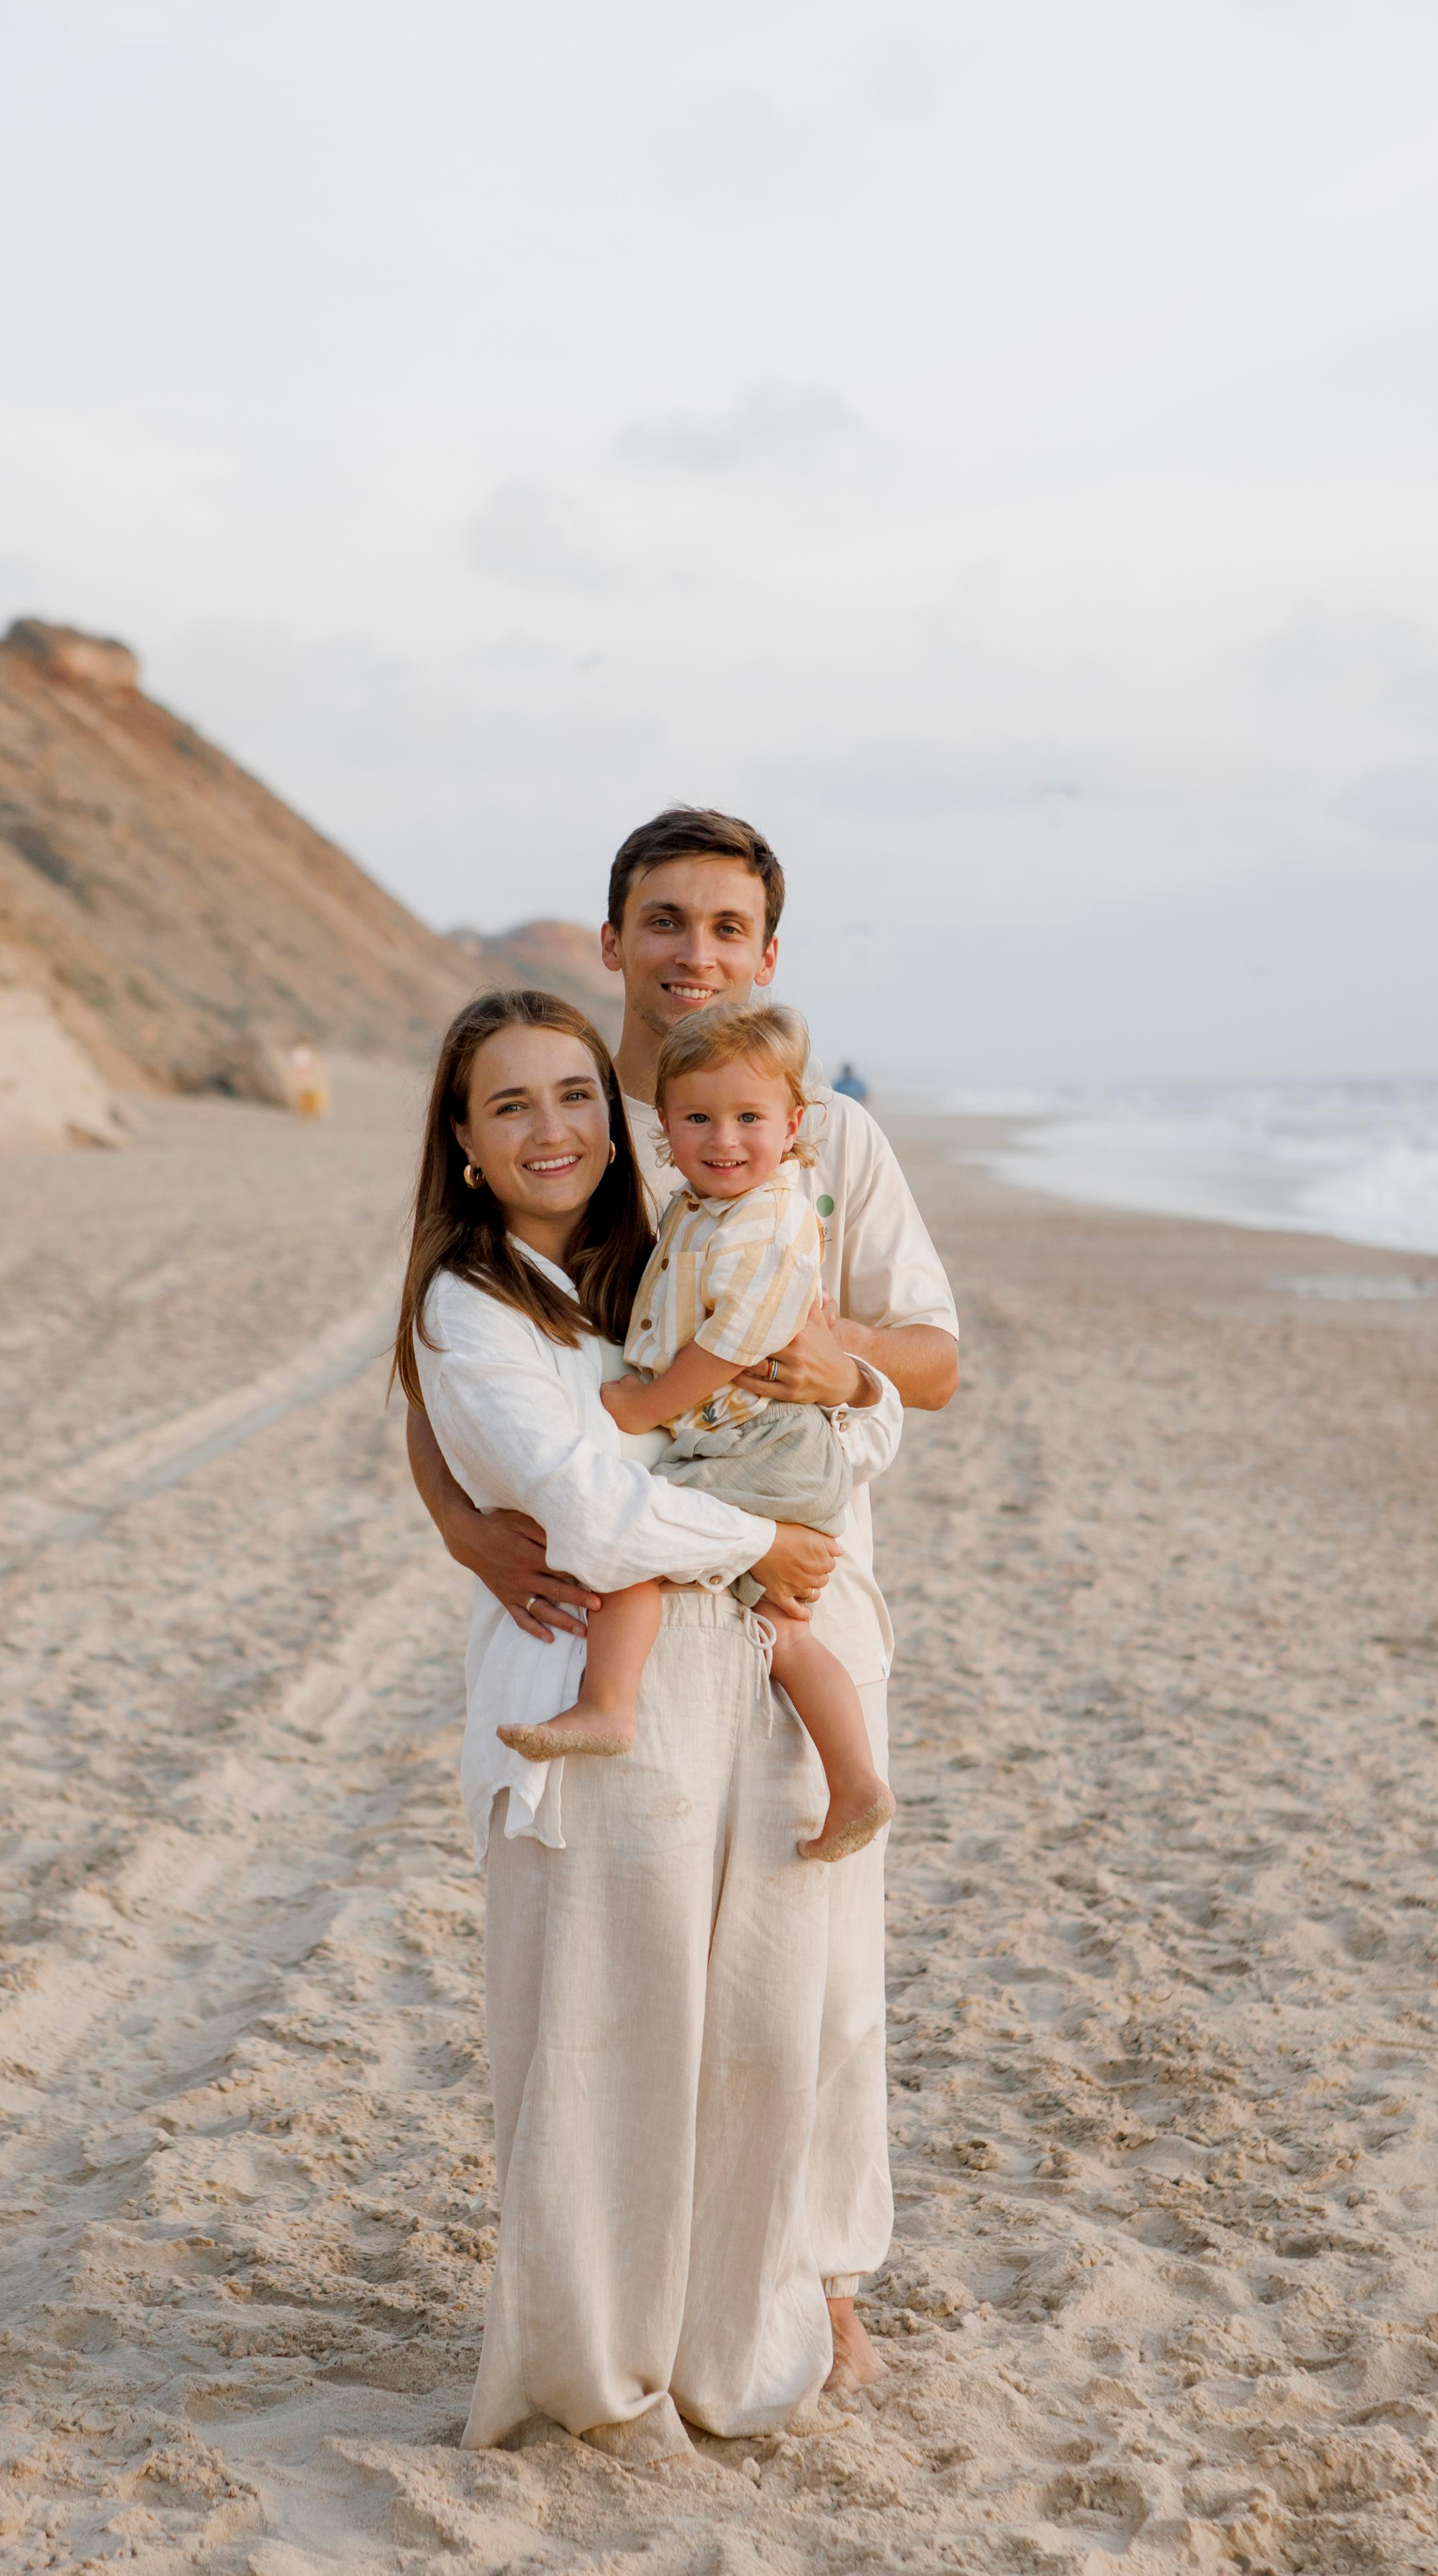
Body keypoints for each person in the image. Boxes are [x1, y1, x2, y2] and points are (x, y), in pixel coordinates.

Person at [405, 806, 958, 2395]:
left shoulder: (826, 1137)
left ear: (767, 953)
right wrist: (456, 1520)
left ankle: (815, 2280)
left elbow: (932, 1357)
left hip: (800, 1574)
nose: (693, 952)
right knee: (627, 1968)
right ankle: (625, 2303)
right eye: (663, 922)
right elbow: (487, 1357)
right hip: (629, 1578)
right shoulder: (580, 1124)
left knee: (810, 1969)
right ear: (614, 943)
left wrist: (830, 1359)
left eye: (725, 927)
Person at [498, 1001, 897, 1866]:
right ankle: (858, 1781)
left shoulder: (767, 1215)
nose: (724, 1138)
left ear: (792, 1125)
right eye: (698, 1118)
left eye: (749, 1118)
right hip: (749, 1440)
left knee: (636, 1538)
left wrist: (643, 1405)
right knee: (787, 1633)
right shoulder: (704, 1205)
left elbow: (732, 1341)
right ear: (664, 1130)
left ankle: (607, 1703)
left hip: (765, 1443)